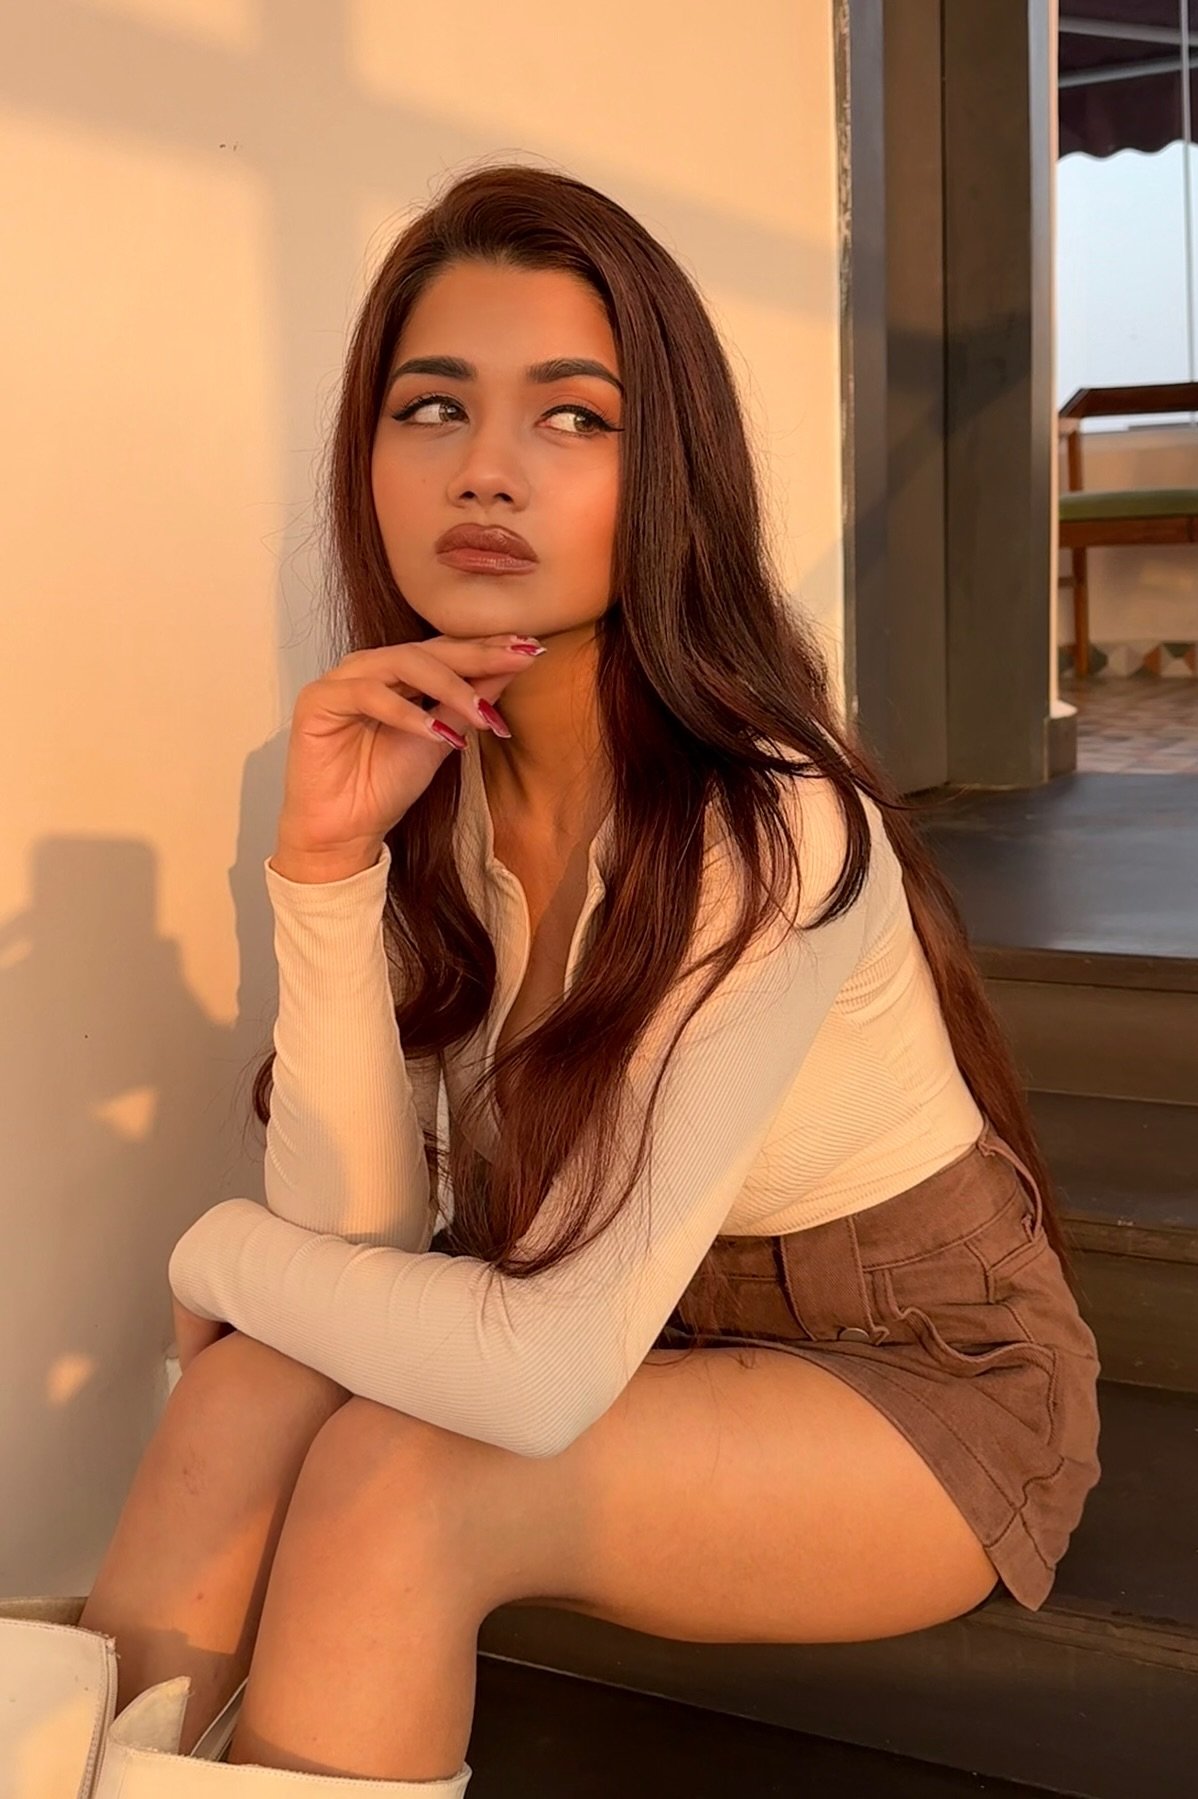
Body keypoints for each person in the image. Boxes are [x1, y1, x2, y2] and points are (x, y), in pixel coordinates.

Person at [76, 163, 1100, 1788]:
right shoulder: (413, 768)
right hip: (612, 1322)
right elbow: (360, 1245)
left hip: (908, 1376)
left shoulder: (773, 822)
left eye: (572, 418)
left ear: (667, 473)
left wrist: (214, 1251)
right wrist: (326, 868)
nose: (486, 467)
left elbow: (541, 1376)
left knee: (400, 1482)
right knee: (241, 1395)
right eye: (432, 408)